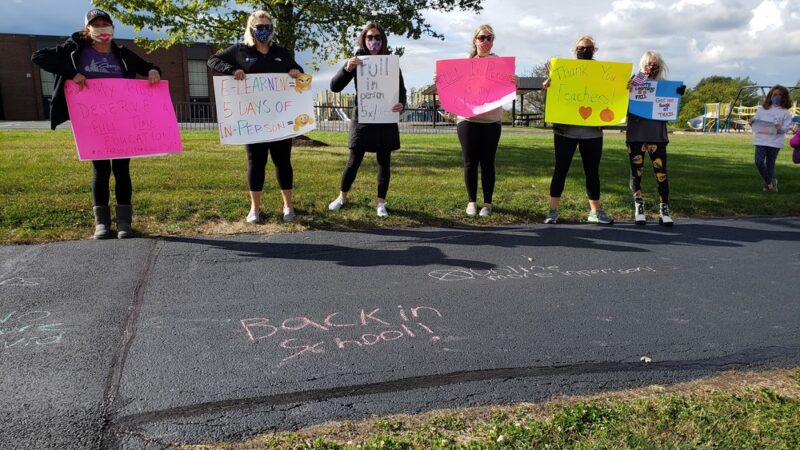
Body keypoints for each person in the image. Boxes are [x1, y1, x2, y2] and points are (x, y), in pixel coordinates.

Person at [31, 8, 162, 239]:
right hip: (91, 122)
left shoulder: (122, 53)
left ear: (112, 27)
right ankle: (101, 224)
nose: (101, 28)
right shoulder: (74, 49)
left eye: (105, 23)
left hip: (121, 120)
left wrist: (153, 71)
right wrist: (72, 73)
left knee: (122, 170)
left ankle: (124, 223)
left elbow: (149, 66)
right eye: (96, 24)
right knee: (100, 170)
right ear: (87, 29)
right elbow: (39, 57)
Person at [207, 10, 304, 223]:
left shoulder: (281, 52)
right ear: (251, 28)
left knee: (283, 162)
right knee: (256, 163)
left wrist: (295, 71)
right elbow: (212, 61)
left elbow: (299, 72)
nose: (263, 31)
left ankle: (288, 206)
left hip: (279, 120)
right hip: (253, 120)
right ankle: (255, 208)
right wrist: (232, 70)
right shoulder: (240, 50)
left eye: (267, 27)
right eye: (259, 27)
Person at [327, 22, 406, 218]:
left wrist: (401, 104)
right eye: (369, 37)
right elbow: (335, 87)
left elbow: (402, 92)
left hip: (385, 118)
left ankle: (381, 203)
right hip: (363, 118)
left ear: (383, 40)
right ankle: (342, 197)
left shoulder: (391, 63)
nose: (373, 41)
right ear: (364, 39)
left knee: (384, 162)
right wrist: (347, 68)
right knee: (353, 160)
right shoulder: (356, 61)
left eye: (377, 37)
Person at [437, 24, 518, 217]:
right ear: (475, 40)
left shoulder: (500, 63)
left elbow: (505, 89)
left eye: (490, 38)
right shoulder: (465, 62)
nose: (486, 42)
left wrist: (515, 81)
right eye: (482, 37)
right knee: (470, 162)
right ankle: (471, 202)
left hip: (491, 121)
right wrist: (439, 80)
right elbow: (452, 85)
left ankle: (488, 204)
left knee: (488, 162)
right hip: (467, 119)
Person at [542, 36, 613, 225]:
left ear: (594, 50)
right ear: (575, 50)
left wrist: (625, 88)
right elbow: (552, 100)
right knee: (560, 170)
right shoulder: (563, 71)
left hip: (593, 132)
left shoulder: (605, 72)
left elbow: (612, 97)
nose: (584, 50)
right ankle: (552, 211)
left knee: (592, 172)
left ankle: (595, 212)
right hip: (565, 132)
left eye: (588, 48)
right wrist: (548, 87)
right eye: (581, 48)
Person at [625, 51, 685, 226]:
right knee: (636, 172)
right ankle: (639, 207)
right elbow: (621, 108)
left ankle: (664, 208)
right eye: (648, 63)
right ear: (642, 64)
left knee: (661, 174)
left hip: (657, 136)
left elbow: (670, 110)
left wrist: (678, 95)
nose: (651, 67)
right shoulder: (632, 83)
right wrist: (627, 91)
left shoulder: (664, 85)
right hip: (636, 135)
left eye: (655, 64)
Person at [748, 85, 793, 192]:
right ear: (770, 96)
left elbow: (785, 129)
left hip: (775, 142)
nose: (776, 97)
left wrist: (779, 128)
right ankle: (770, 182)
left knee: (770, 164)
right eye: (774, 94)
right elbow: (756, 124)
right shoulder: (762, 110)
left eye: (780, 95)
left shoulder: (785, 113)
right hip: (761, 140)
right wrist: (751, 122)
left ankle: (767, 186)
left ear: (784, 97)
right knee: (759, 162)